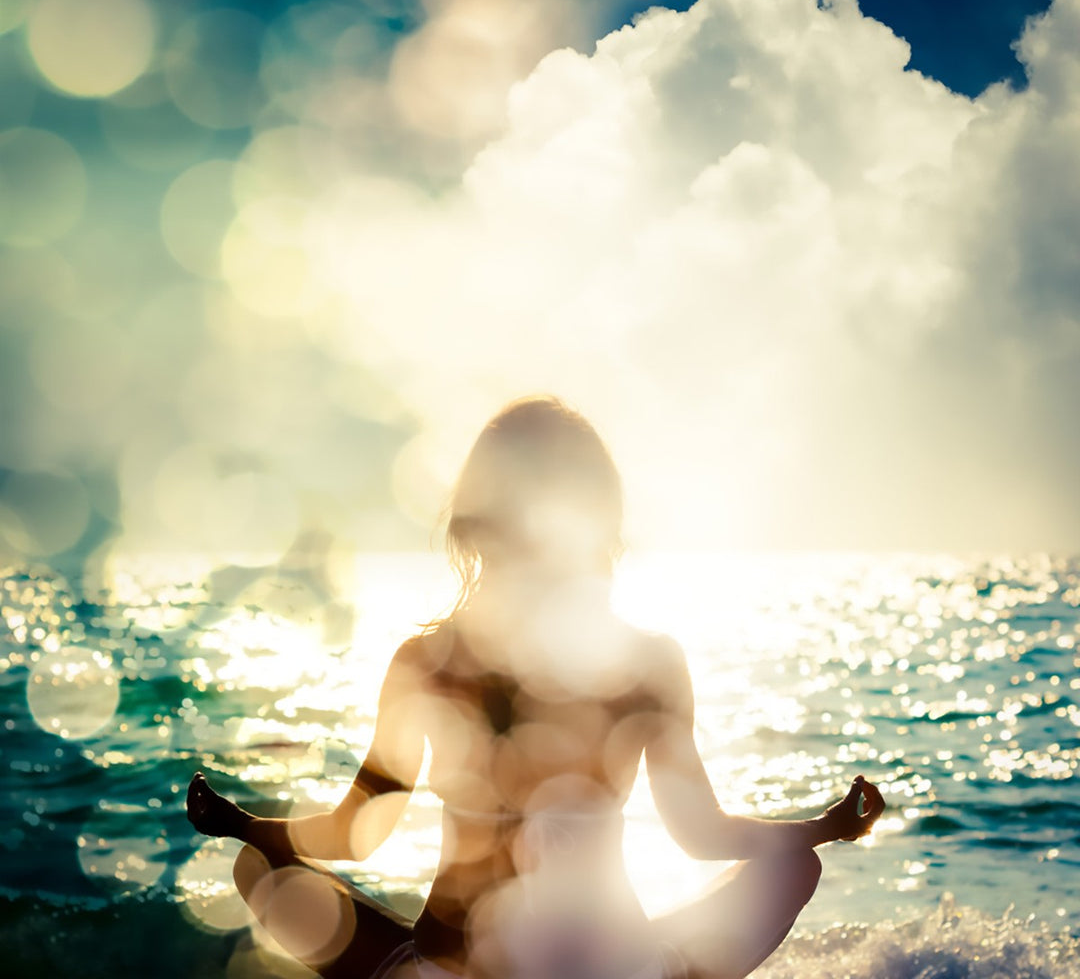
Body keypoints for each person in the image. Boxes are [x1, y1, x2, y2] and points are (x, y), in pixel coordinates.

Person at [187, 395, 885, 979]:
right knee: (793, 868)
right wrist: (824, 827)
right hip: (615, 966)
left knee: (261, 870)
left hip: (453, 966)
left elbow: (357, 836)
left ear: (476, 521)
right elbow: (699, 834)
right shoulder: (650, 659)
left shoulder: (426, 660)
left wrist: (244, 826)